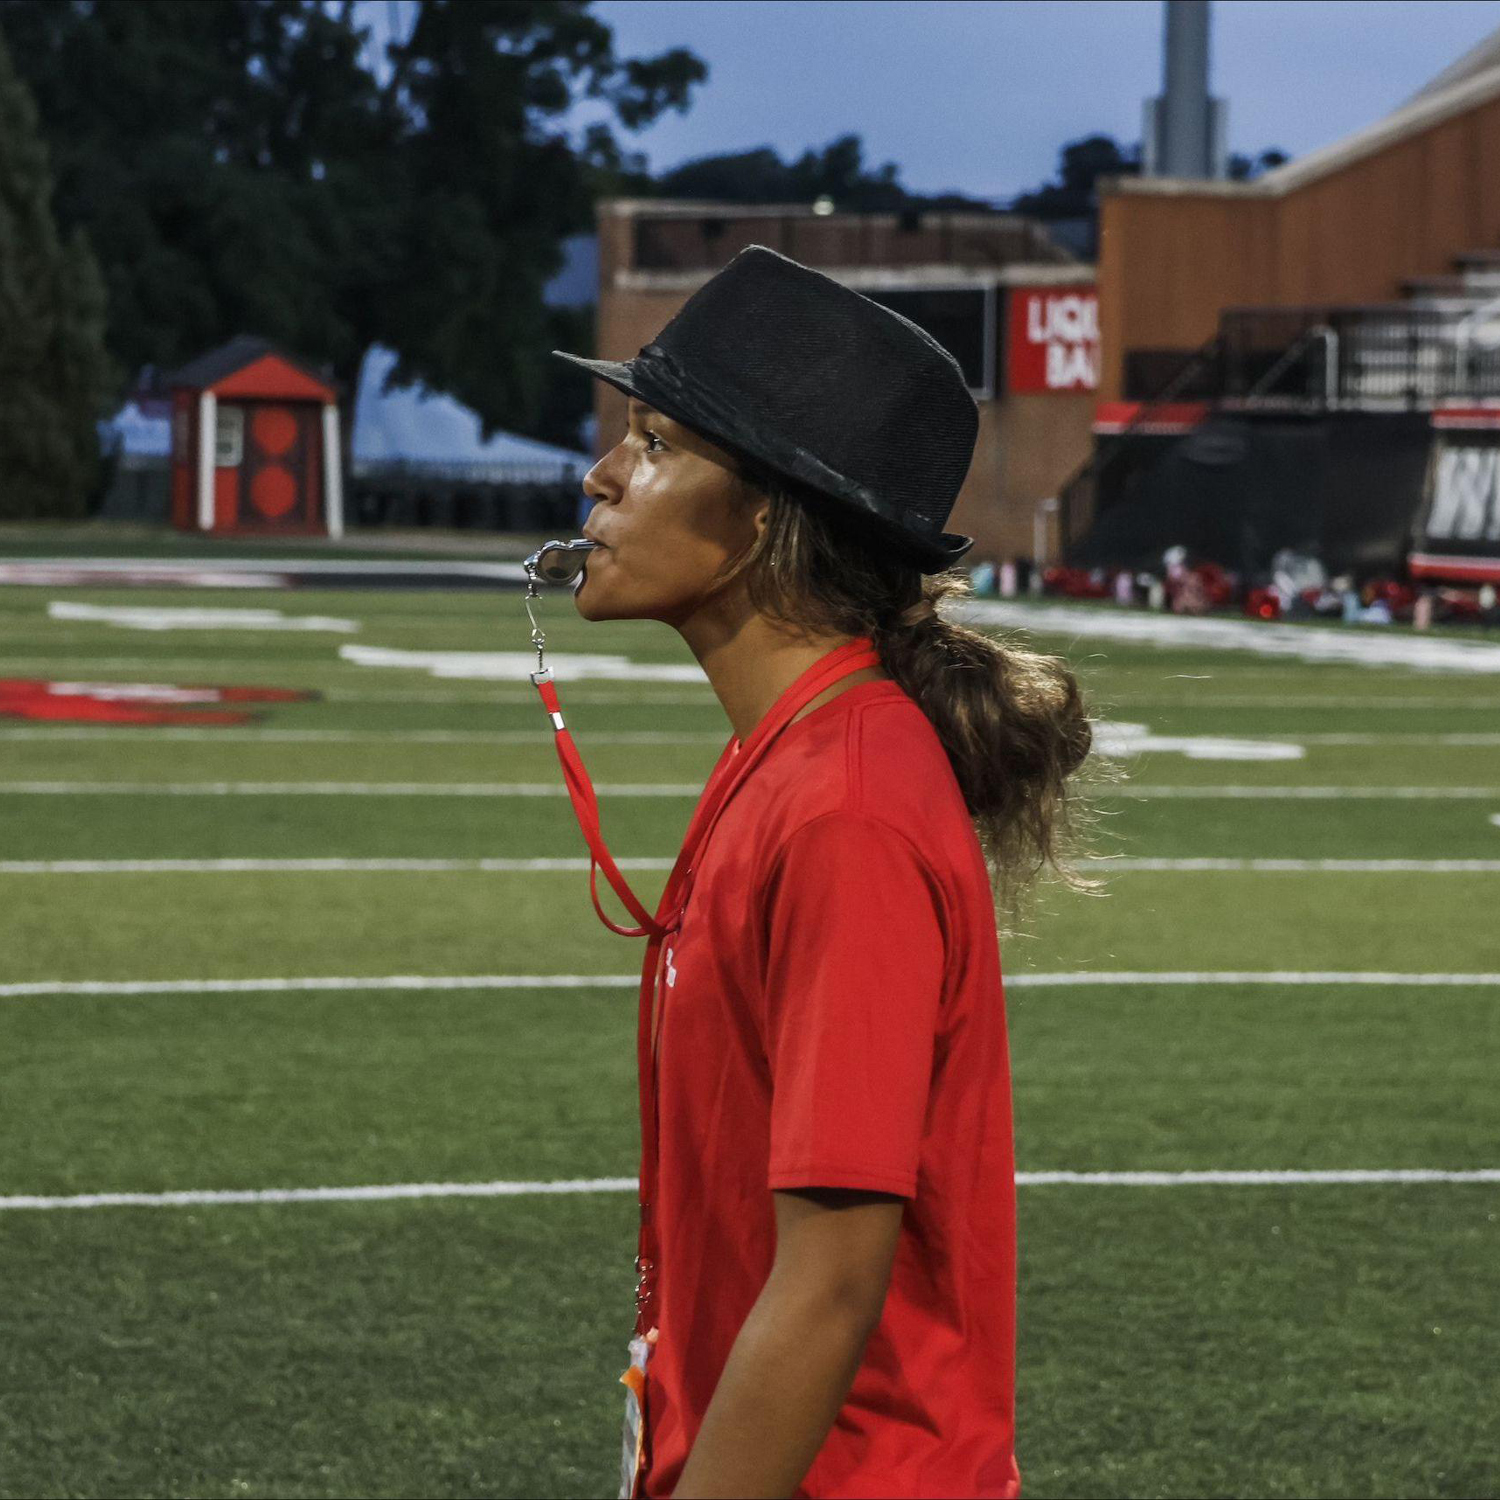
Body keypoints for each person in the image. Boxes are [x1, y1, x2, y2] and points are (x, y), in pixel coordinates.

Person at [550, 245, 1094, 1500]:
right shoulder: (792, 753)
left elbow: (833, 1282)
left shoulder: (846, 806)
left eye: (654, 443)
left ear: (763, 519)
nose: (602, 476)